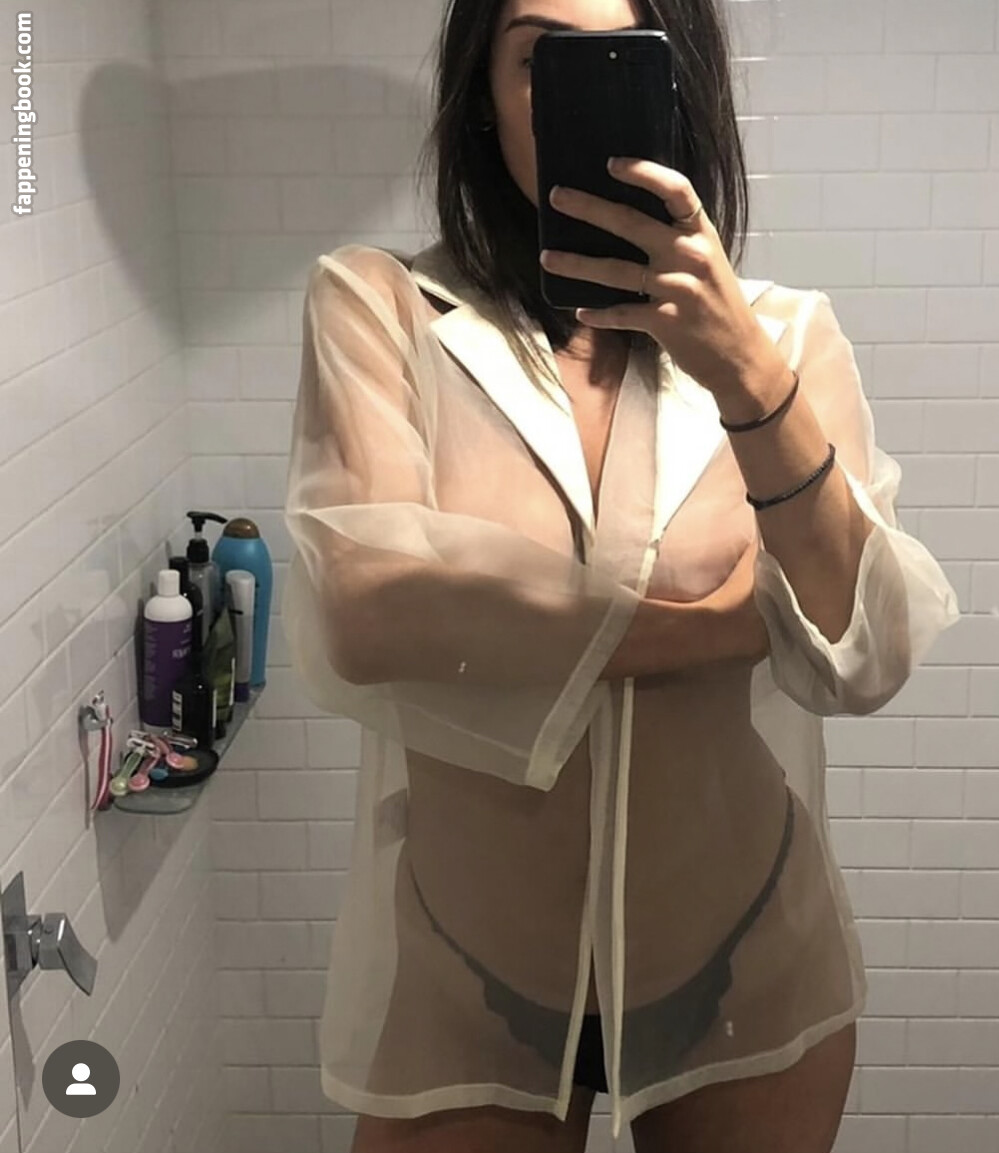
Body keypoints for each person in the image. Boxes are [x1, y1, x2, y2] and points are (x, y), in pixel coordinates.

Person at [281, 0, 961, 1150]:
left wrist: (745, 377)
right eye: (537, 57)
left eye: (615, 58)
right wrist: (721, 625)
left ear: (677, 87)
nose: (569, 91)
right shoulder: (382, 308)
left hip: (742, 952)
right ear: (480, 96)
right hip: (468, 968)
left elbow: (863, 652)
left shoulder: (785, 338)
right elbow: (363, 607)